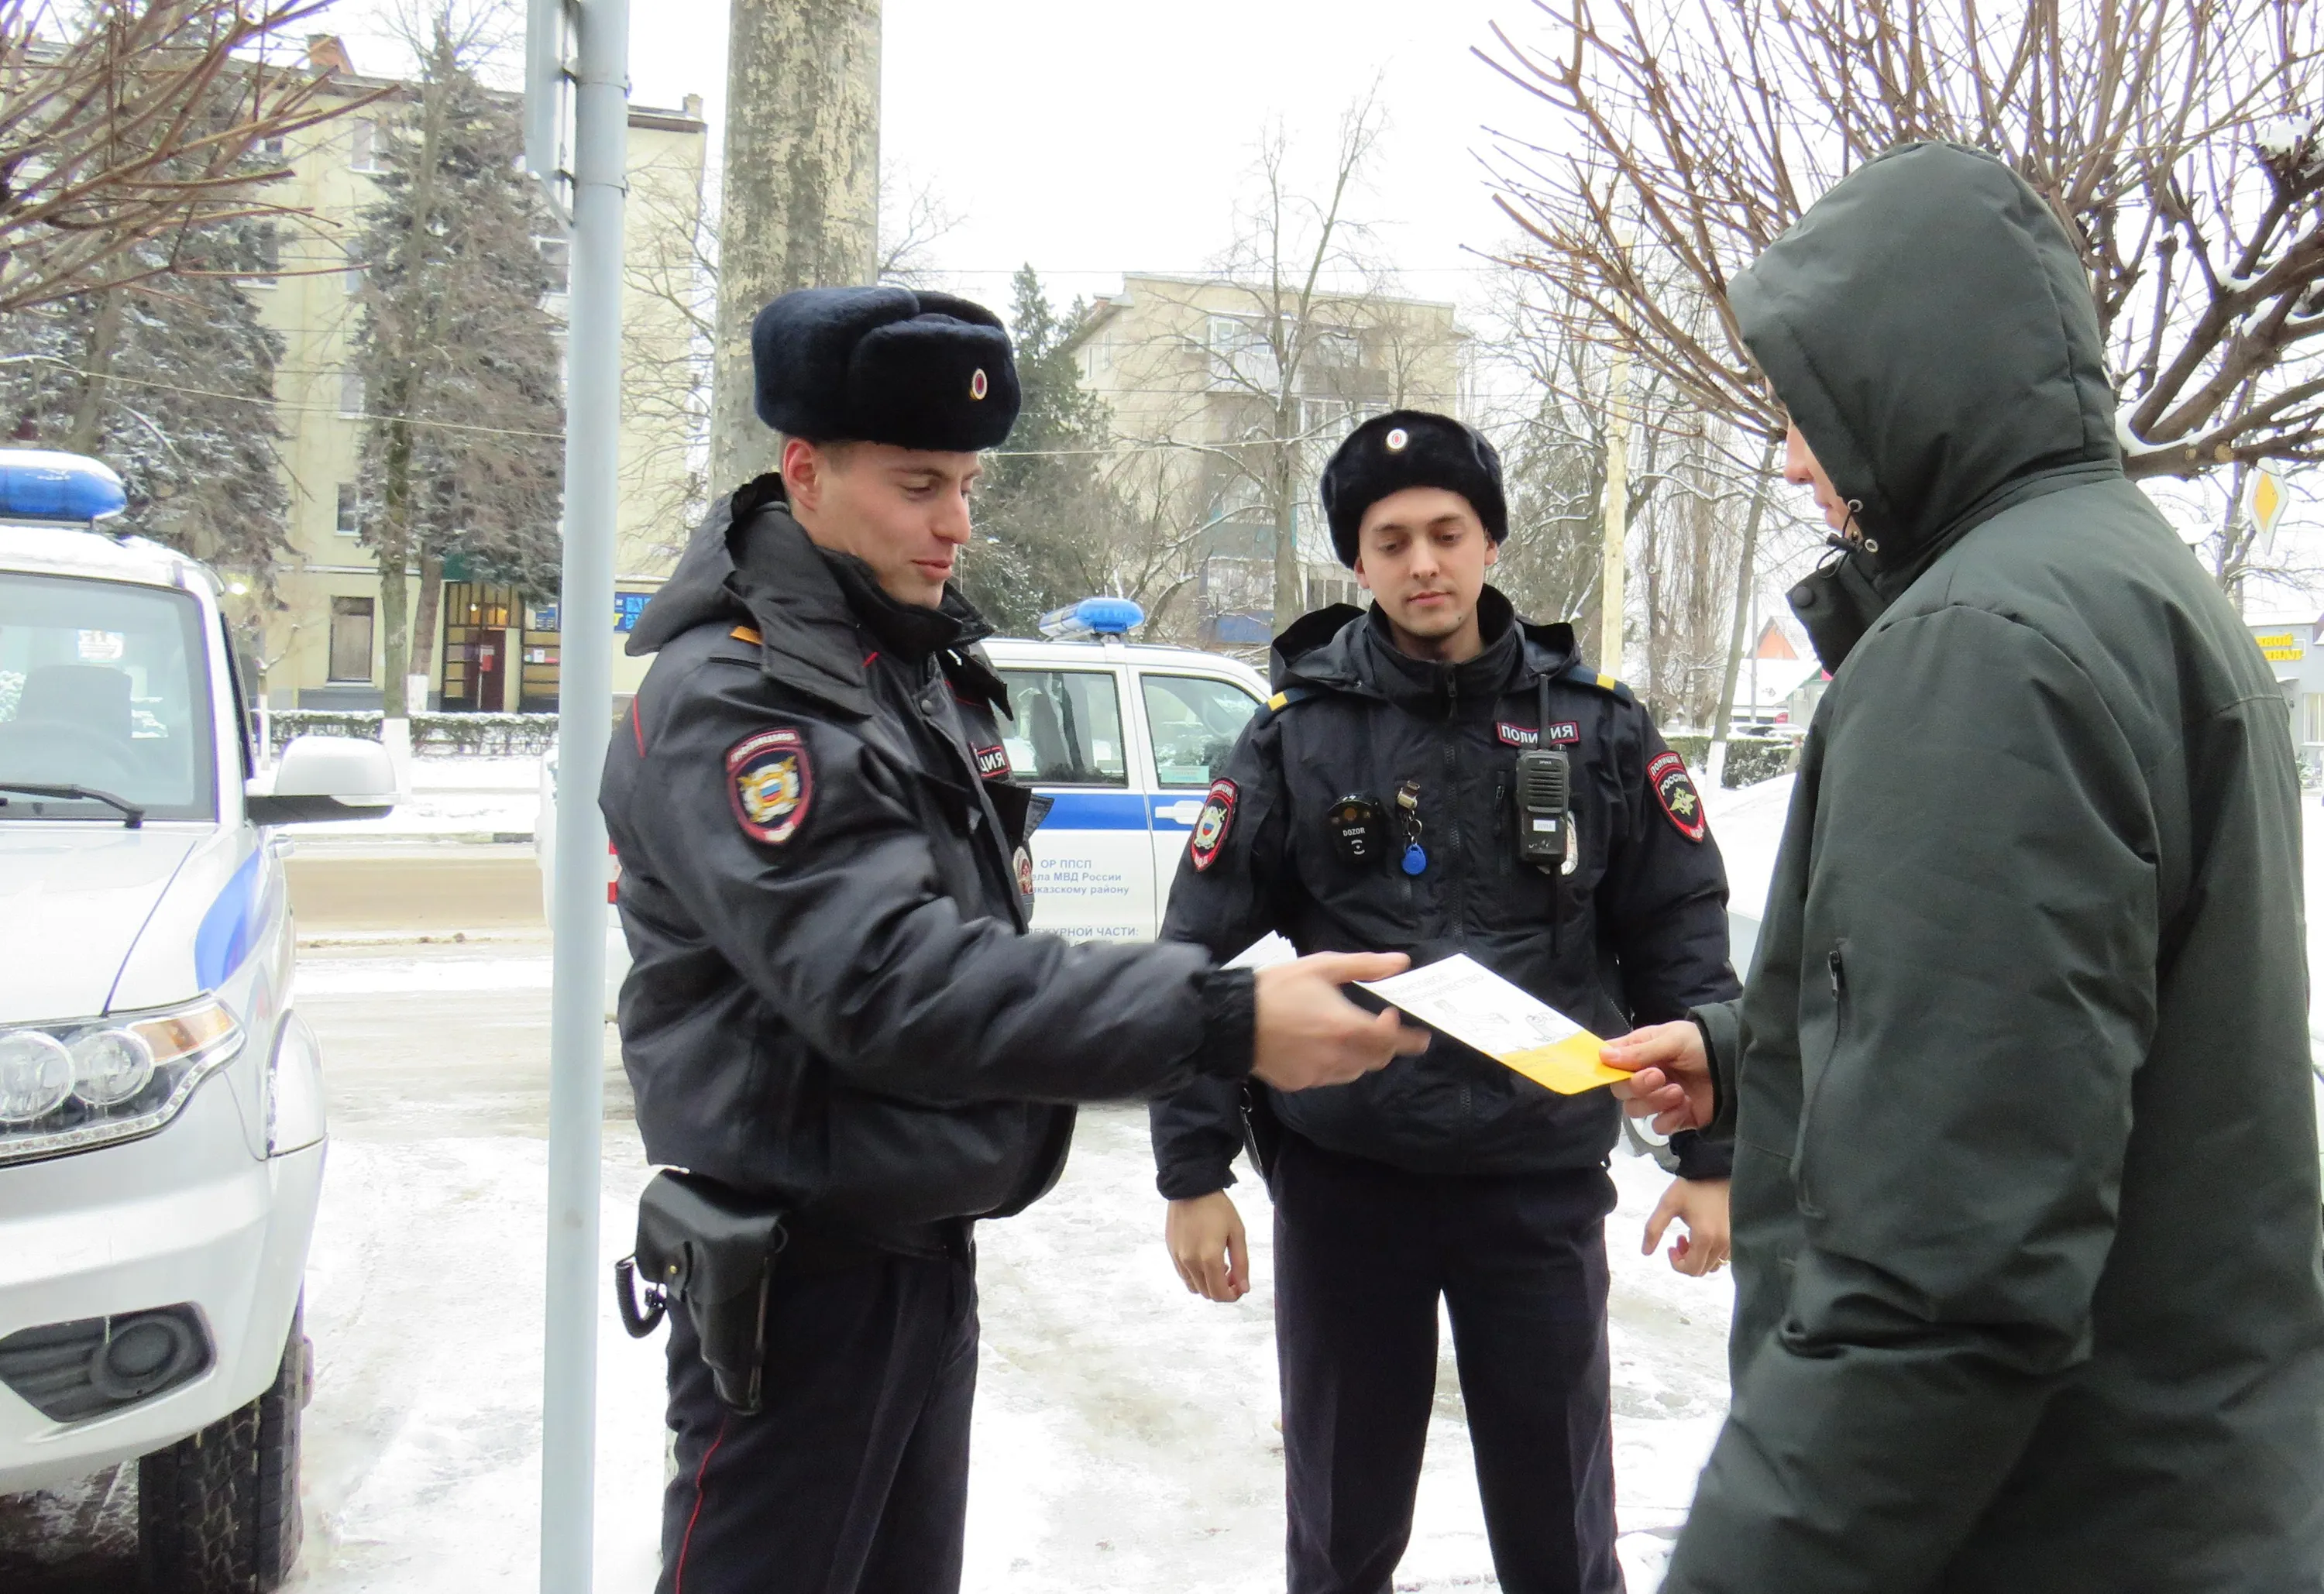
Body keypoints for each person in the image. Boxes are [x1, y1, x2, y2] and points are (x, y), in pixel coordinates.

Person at [598, 285, 1430, 1594]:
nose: (956, 524)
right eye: (919, 482)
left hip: (915, 1252)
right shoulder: (743, 696)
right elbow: (887, 979)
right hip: (802, 1274)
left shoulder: (901, 661)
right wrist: (1227, 1019)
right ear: (803, 473)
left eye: (969, 484)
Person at [1604, 140, 2324, 1592]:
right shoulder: (2134, 585)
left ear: (1907, 378)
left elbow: (1942, 1286)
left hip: (2049, 1525)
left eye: (1808, 408)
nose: (1799, 458)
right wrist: (1763, 1054)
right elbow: (2077, 1029)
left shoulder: (1979, 649)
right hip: (2192, 1493)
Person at [1150, 408, 1741, 1594]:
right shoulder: (1297, 738)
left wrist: (1715, 1154)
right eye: (1391, 539)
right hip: (1348, 1184)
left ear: (1489, 542)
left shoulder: (1599, 727)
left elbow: (1680, 939)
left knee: (1561, 1531)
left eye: (1448, 532)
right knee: (1343, 1522)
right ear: (1356, 561)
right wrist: (1194, 1172)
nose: (1423, 562)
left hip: (1536, 1189)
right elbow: (1193, 958)